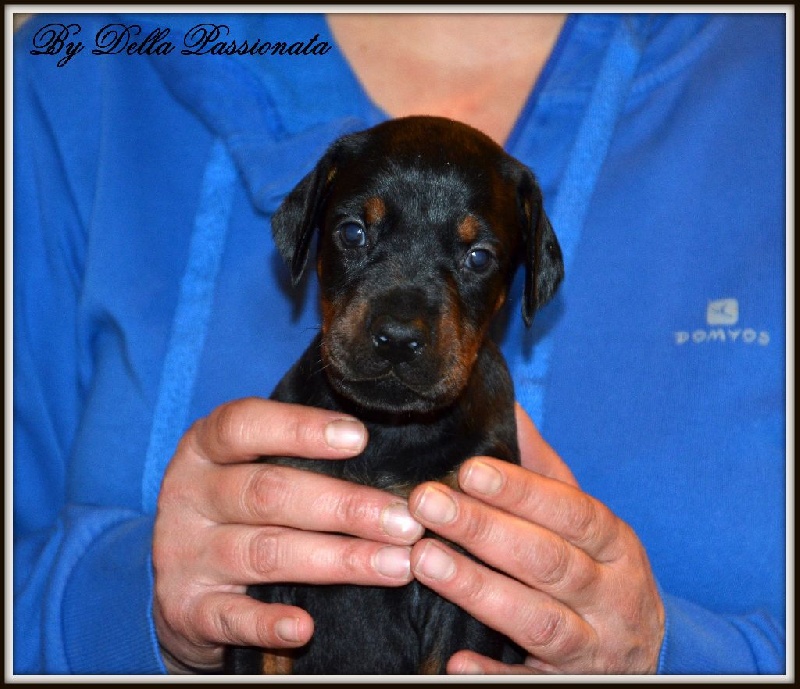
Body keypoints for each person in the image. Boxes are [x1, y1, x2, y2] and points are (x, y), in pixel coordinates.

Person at [12, 11, 786, 675]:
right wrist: (130, 605)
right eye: (356, 235)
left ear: (523, 282)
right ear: (308, 238)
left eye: (475, 260)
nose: (402, 323)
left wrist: (671, 658)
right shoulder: (79, 67)